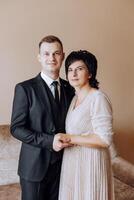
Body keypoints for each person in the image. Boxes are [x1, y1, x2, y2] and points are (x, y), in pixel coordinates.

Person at [10, 35, 74, 200]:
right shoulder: (25, 88)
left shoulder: (70, 89)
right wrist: (49, 140)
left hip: (64, 167)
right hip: (34, 169)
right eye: (46, 53)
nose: (51, 58)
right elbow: (16, 128)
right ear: (39, 57)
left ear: (63, 56)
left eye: (56, 53)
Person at [58, 50, 115, 200]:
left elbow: (104, 139)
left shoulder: (98, 98)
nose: (73, 74)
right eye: (70, 70)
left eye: (79, 69)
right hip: (72, 162)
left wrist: (69, 138)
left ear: (90, 74)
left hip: (91, 162)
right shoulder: (73, 100)